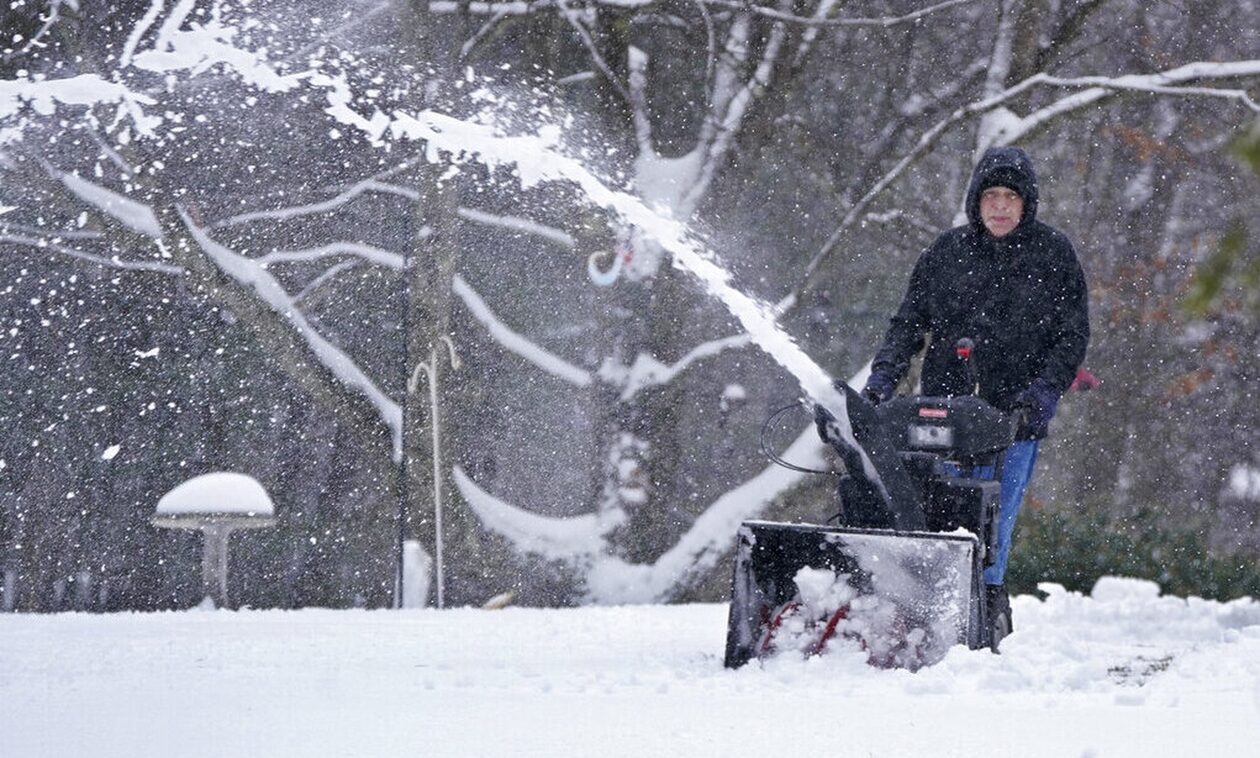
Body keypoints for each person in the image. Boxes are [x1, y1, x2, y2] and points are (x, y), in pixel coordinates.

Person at [861, 145, 1090, 636]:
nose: (1001, 206)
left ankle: (985, 613)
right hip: (940, 416)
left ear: (1027, 203)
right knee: (926, 515)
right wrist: (881, 384)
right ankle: (917, 614)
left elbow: (1071, 338)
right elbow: (907, 325)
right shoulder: (946, 253)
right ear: (976, 201)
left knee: (993, 524)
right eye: (992, 196)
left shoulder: (1054, 255)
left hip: (1014, 418)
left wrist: (1040, 397)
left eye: (1011, 196)